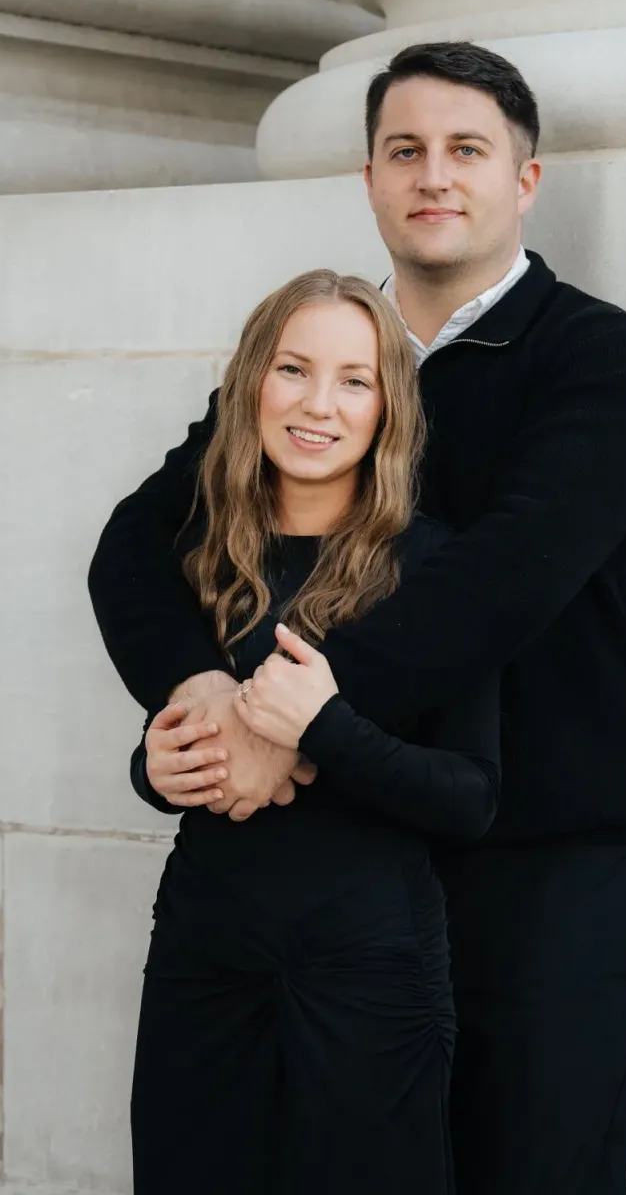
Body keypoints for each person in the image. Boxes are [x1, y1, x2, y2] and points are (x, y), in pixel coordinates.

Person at [89, 41, 626, 1194]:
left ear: (526, 179)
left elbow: (498, 582)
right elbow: (138, 540)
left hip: (549, 869)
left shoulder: (602, 360)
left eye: (468, 149)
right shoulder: (317, 366)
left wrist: (287, 713)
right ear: (368, 178)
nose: (434, 175)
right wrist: (202, 690)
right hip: (353, 863)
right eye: (404, 150)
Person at [121, 269, 500, 1194]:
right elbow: (179, 742)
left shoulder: (435, 565)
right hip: (204, 951)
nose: (317, 404)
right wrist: (155, 768)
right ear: (253, 381)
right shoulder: (203, 554)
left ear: (388, 408)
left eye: (355, 379)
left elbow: (471, 797)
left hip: (371, 966)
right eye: (294, 369)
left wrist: (326, 727)